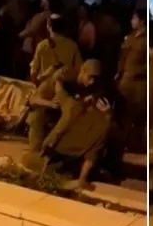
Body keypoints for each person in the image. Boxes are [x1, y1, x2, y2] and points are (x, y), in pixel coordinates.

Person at [41, 59, 116, 190]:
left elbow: (60, 90)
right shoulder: (80, 105)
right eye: (89, 77)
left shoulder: (76, 106)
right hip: (61, 153)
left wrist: (57, 79)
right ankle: (79, 177)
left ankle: (75, 177)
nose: (91, 82)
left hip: (64, 153)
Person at [117, 8, 148, 151]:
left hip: (139, 84)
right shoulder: (130, 37)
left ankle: (137, 145)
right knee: (125, 115)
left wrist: (139, 71)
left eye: (135, 18)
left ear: (142, 21)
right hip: (125, 81)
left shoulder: (146, 40)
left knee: (138, 116)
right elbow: (123, 57)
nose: (132, 21)